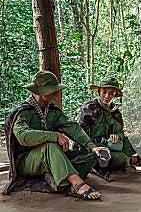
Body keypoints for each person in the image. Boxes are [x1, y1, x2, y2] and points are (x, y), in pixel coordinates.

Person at [4, 70, 106, 200]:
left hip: (53, 157)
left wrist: (92, 147)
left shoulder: (51, 111)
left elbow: (72, 128)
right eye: (52, 90)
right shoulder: (23, 112)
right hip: (27, 162)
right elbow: (23, 136)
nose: (56, 93)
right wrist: (54, 136)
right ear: (39, 92)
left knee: (90, 156)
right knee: (50, 145)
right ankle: (76, 183)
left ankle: (57, 177)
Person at [77, 77, 141, 178]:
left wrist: (117, 136)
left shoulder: (115, 113)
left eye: (111, 93)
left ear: (115, 95)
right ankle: (134, 160)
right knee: (121, 159)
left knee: (139, 139)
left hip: (112, 146)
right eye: (104, 92)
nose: (107, 96)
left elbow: (120, 132)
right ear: (99, 91)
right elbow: (79, 134)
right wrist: (92, 149)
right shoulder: (89, 108)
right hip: (94, 150)